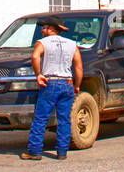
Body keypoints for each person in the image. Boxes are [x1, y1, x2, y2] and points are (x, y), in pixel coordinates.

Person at [21, 15, 83, 161]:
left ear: (51, 29)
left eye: (44, 28)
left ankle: (34, 151)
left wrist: (38, 74)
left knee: (41, 118)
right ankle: (62, 152)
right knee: (64, 119)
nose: (42, 30)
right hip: (67, 82)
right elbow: (78, 66)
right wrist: (77, 85)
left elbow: (35, 57)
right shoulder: (72, 44)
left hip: (50, 82)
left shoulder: (42, 42)